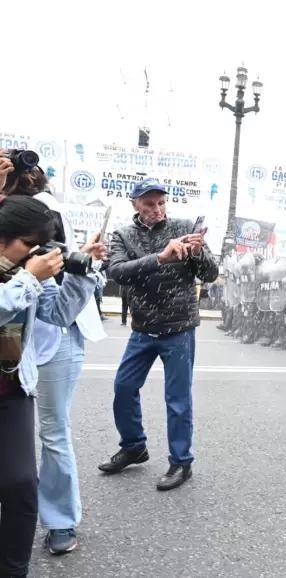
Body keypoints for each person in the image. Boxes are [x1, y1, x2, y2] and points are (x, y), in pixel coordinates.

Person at [0, 189, 101, 576]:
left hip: (11, 390)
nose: (35, 253)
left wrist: (81, 271)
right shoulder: (27, 272)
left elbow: (59, 313)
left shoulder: (30, 267)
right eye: (28, 244)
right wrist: (27, 276)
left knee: (22, 485)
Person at [99, 178, 218, 491]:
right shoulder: (123, 234)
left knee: (177, 399)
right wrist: (161, 257)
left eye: (161, 202)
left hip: (178, 327)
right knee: (123, 387)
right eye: (149, 204)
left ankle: (181, 462)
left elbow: (211, 274)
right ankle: (134, 446)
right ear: (135, 204)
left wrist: (197, 252)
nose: (157, 209)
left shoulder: (184, 226)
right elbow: (116, 272)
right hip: (143, 327)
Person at [27, 191, 107, 556]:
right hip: (8, 340)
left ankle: (60, 520)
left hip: (54, 341)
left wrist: (83, 266)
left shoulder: (50, 211)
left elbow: (59, 310)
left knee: (54, 431)